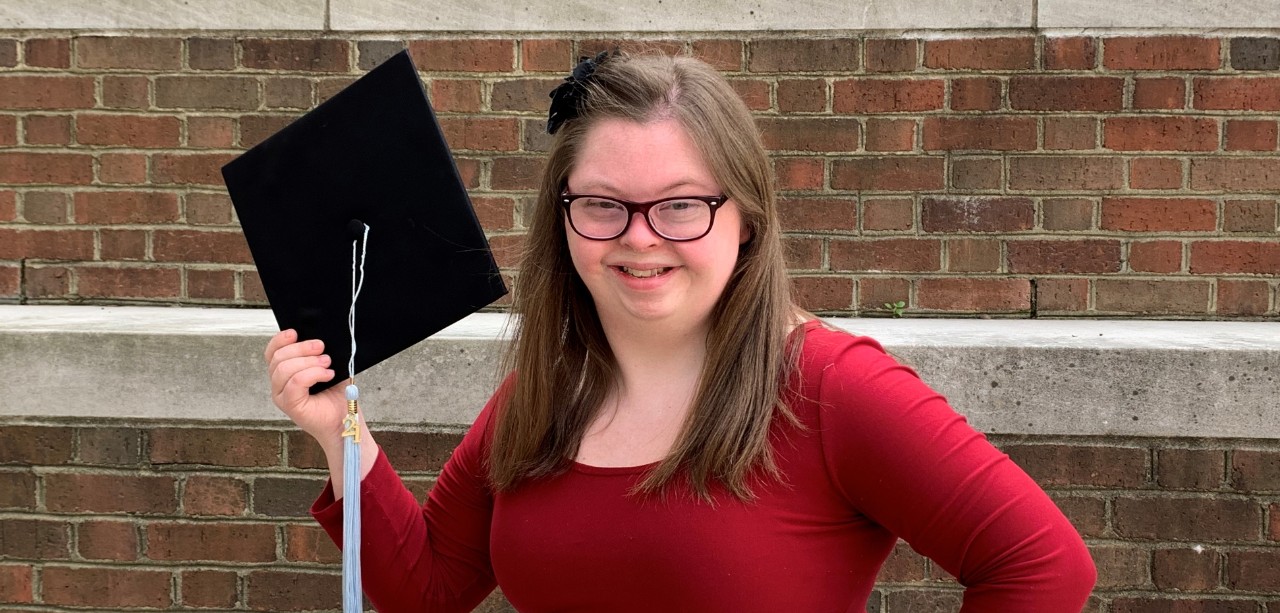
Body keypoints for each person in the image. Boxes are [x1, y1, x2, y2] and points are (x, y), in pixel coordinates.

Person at [264, 51, 1097, 612]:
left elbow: (1044, 567)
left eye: (680, 205)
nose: (639, 236)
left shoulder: (830, 387)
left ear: (745, 219)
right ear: (563, 220)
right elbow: (429, 587)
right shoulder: (546, 391)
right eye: (602, 204)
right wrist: (340, 429)